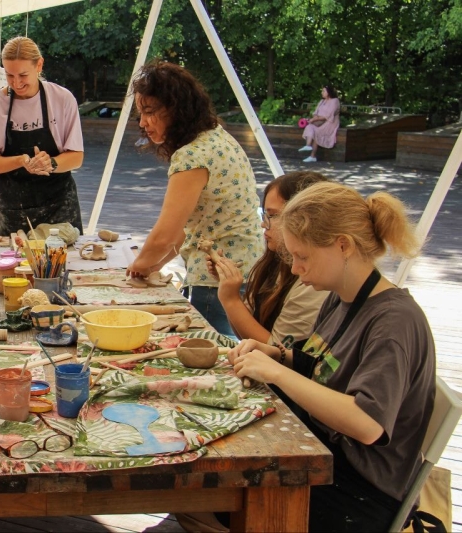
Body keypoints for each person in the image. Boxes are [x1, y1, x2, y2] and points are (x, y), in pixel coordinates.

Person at [230, 181, 434, 532]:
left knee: (223, 483)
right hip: (325, 454)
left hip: (362, 494)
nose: (295, 269)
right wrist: (277, 355)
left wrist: (278, 374)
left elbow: (367, 424)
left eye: (302, 256)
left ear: (343, 246)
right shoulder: (342, 296)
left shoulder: (394, 322)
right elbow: (320, 363)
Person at [125, 61, 264, 336]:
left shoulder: (192, 156)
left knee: (218, 364)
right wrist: (155, 265)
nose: (142, 123)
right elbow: (190, 228)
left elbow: (166, 234)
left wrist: (137, 266)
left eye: (149, 112)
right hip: (246, 270)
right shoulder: (217, 137)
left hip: (217, 279)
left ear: (176, 110)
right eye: (140, 114)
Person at [0, 36, 84, 236]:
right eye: (9, 75)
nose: (16, 83)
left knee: (61, 263)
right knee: (12, 265)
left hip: (58, 206)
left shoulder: (62, 99)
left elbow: (76, 157)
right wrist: (20, 160)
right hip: (11, 209)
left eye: (23, 75)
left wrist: (50, 162)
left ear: (39, 65)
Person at [207, 171, 329, 346]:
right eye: (264, 215)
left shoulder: (314, 283)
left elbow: (277, 352)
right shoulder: (275, 263)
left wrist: (231, 299)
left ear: (305, 219)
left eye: (271, 215)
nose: (264, 224)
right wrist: (227, 284)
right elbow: (246, 332)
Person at [299, 85, 340, 163]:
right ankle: (308, 145)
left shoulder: (335, 101)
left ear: (329, 92)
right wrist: (314, 118)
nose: (322, 93)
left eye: (324, 91)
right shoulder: (322, 101)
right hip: (318, 121)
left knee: (317, 132)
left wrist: (315, 119)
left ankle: (312, 156)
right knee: (310, 126)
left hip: (330, 123)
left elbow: (328, 116)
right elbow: (315, 112)